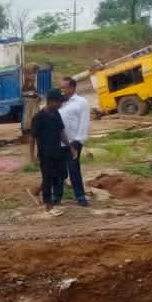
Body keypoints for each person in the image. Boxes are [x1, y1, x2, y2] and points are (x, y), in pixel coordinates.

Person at [29, 89, 70, 215]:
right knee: (48, 178)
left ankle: (36, 191)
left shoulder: (56, 114)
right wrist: (32, 157)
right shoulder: (38, 118)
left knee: (62, 175)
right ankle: (48, 205)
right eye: (59, 102)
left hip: (57, 150)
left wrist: (70, 146)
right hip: (45, 154)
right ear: (51, 101)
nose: (61, 104)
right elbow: (32, 138)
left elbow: (61, 132)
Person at [58, 76, 91, 207]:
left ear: (72, 87)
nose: (61, 90)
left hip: (73, 142)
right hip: (59, 142)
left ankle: (80, 196)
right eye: (60, 87)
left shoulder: (81, 102)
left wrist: (78, 140)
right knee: (59, 170)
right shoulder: (60, 102)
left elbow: (84, 122)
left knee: (73, 169)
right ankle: (57, 196)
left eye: (64, 87)